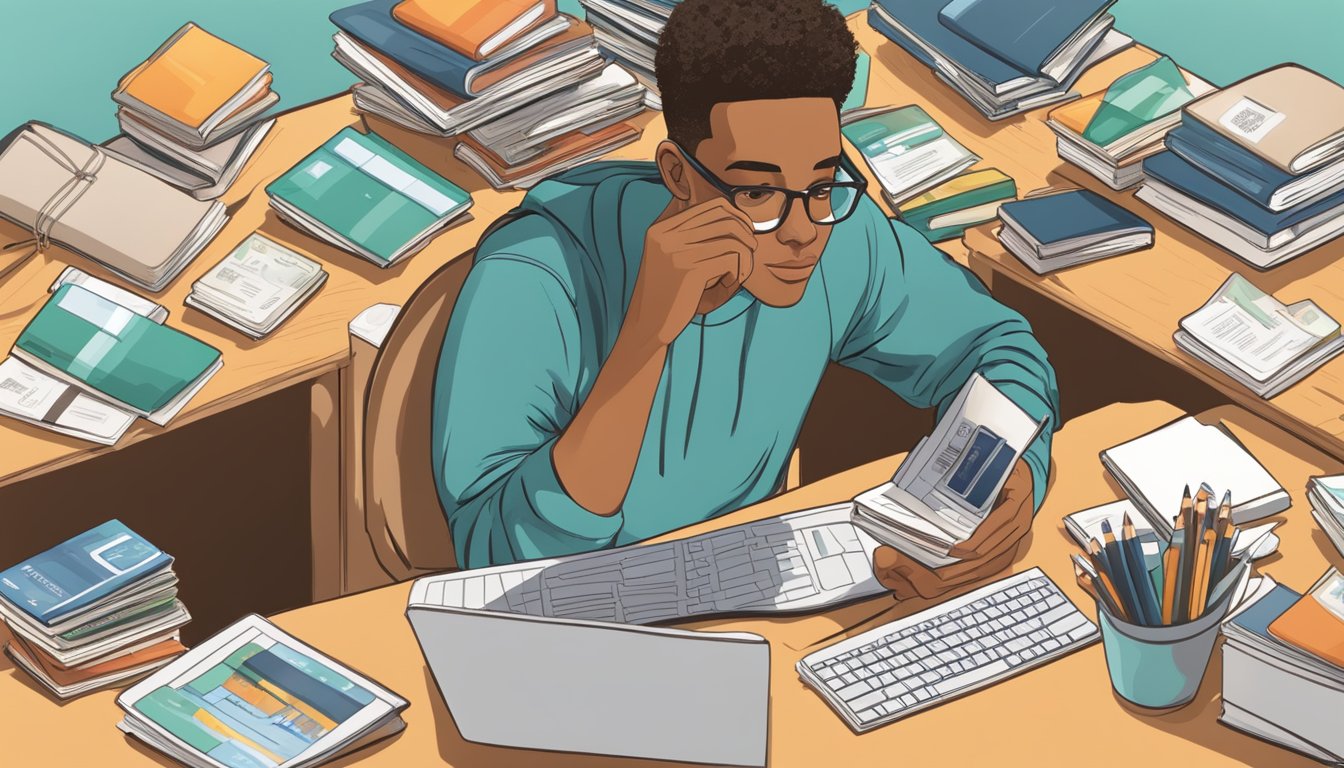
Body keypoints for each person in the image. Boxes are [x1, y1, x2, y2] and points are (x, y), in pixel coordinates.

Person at [431, 0, 1059, 598]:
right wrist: (647, 337)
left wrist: (999, 477)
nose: (801, 232)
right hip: (568, 626)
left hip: (749, 594)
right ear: (677, 174)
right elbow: (499, 562)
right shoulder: (536, 274)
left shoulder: (834, 230)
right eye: (757, 194)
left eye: (821, 183)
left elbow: (994, 348)